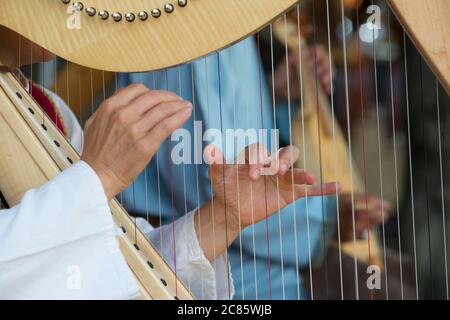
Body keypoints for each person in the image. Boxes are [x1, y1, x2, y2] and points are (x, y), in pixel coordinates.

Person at [0, 26, 338, 299]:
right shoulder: (183, 33)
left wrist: (224, 218)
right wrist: (99, 177)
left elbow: (123, 260)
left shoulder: (45, 107)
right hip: (261, 267)